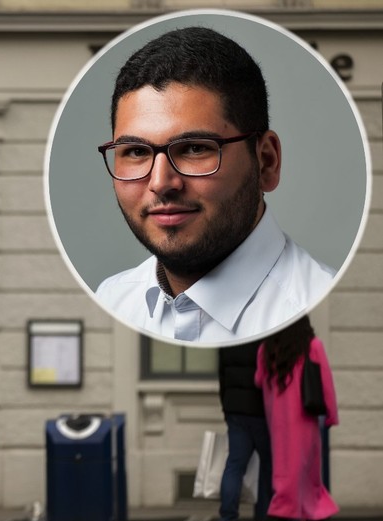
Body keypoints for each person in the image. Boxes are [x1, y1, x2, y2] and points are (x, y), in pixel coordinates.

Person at [94, 27, 334, 343]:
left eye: (195, 148)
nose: (161, 183)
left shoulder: (326, 313)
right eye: (137, 152)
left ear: (266, 161)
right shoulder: (111, 300)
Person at [255, 316, 339, 521]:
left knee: (285, 467)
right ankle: (286, 515)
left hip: (276, 417)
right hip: (304, 417)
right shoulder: (312, 346)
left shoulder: (267, 348)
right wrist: (331, 414)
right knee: (308, 469)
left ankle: (309, 516)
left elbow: (258, 379)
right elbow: (326, 383)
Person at [216, 339, 272, 521]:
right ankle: (266, 518)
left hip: (235, 407)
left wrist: (226, 405)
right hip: (260, 408)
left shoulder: (226, 337)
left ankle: (228, 519)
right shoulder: (264, 334)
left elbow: (222, 375)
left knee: (235, 465)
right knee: (269, 464)